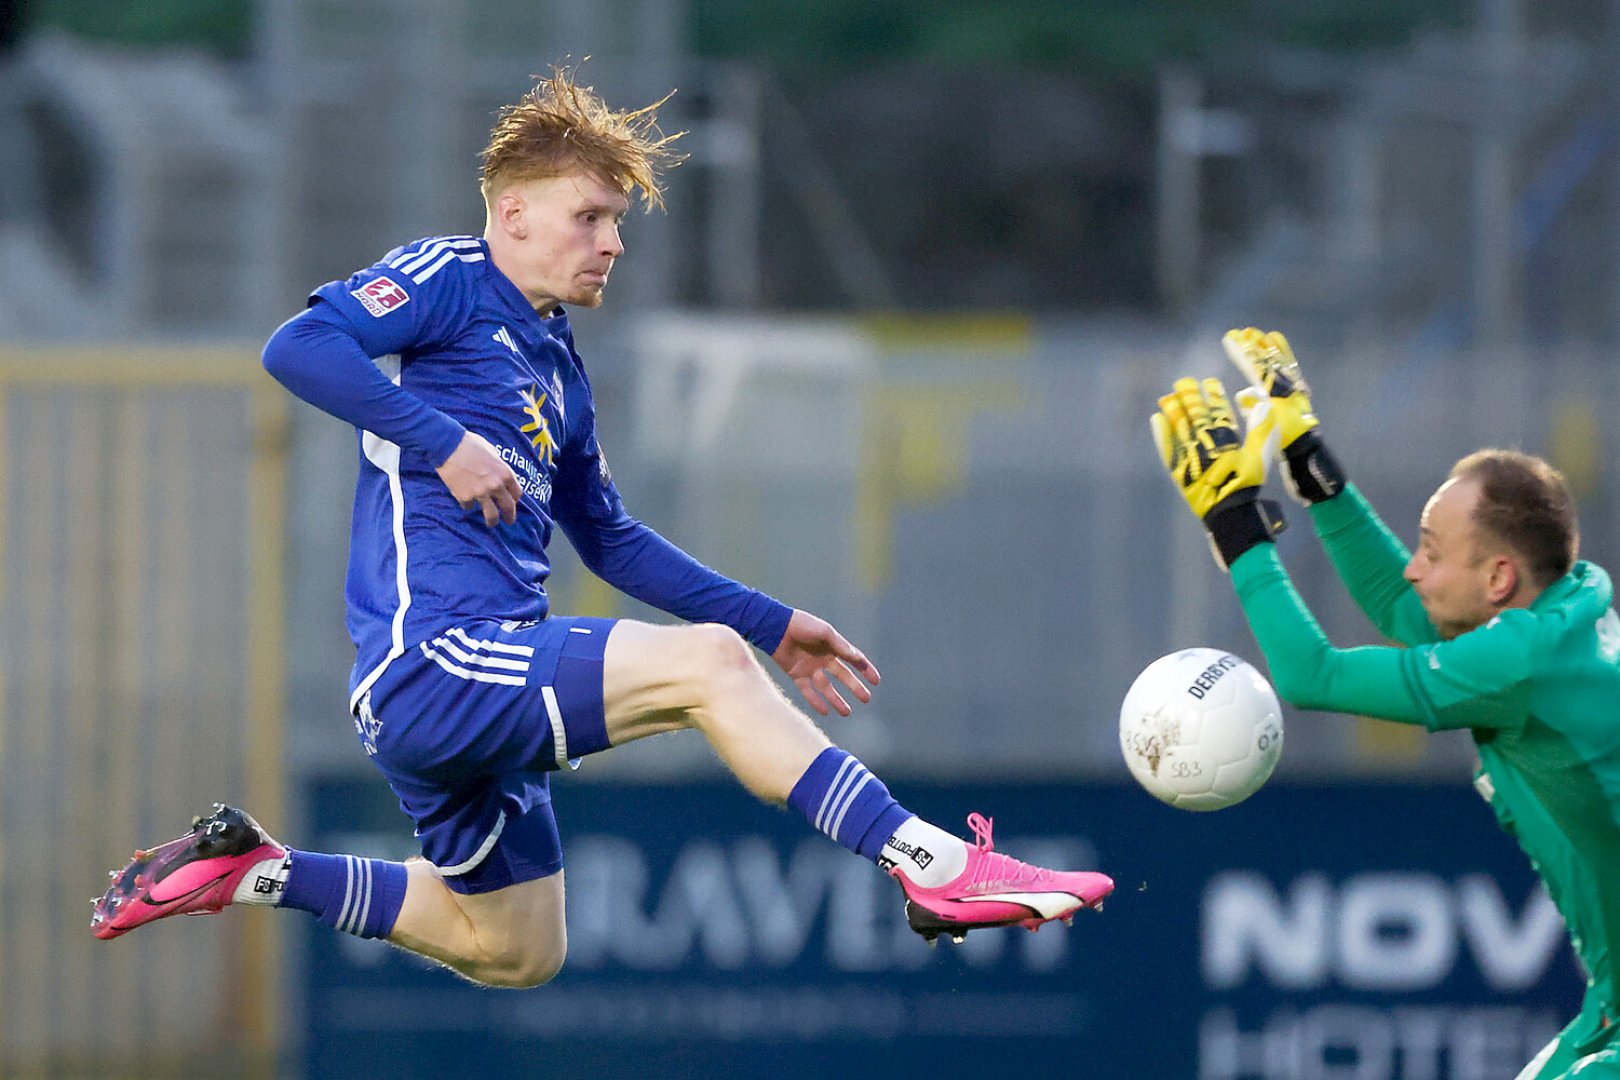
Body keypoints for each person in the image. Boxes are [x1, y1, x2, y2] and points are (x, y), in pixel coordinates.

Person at [90, 67, 1113, 982]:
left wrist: (772, 622)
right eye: (591, 217)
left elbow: (611, 540)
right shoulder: (451, 278)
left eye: (619, 222)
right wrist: (443, 439)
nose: (613, 242)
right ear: (515, 212)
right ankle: (933, 865)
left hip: (476, 692)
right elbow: (300, 345)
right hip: (437, 663)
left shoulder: (561, 371)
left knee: (517, 950)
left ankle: (258, 870)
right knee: (706, 668)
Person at [1152, 328, 1620, 1080]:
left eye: (1433, 550)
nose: (1412, 567)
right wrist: (1312, 467)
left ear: (1499, 577)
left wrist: (1237, 526)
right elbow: (1406, 615)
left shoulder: (1514, 660)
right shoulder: (1561, 604)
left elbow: (1311, 676)